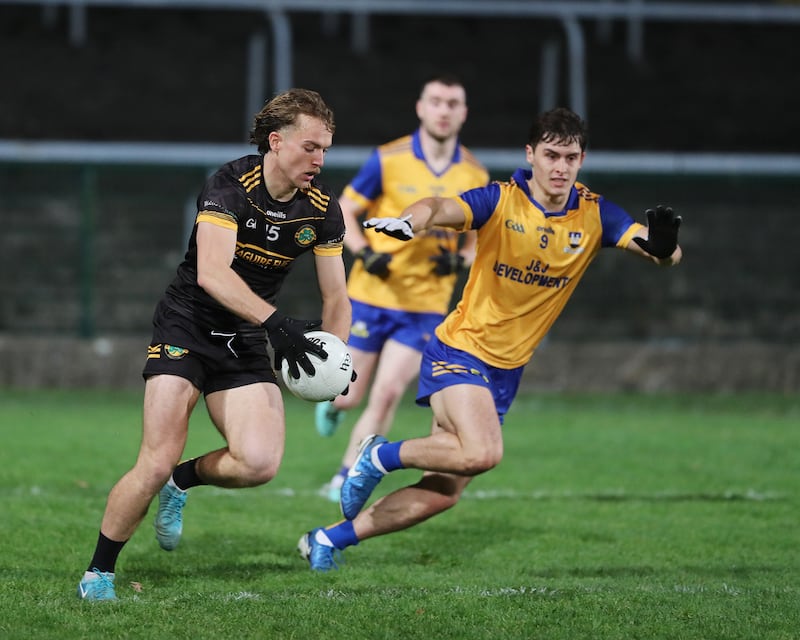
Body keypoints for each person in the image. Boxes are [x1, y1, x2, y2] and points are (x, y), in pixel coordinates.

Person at [298, 106, 683, 571]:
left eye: (571, 157)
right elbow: (441, 207)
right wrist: (411, 221)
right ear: (531, 154)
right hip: (460, 351)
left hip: (506, 370)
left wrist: (664, 247)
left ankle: (328, 538)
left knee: (443, 492)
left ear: (582, 159)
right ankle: (379, 454)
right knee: (484, 452)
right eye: (551, 155)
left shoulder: (595, 214)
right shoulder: (500, 200)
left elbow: (660, 251)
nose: (560, 167)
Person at [76, 88, 352, 601]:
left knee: (259, 463)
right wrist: (279, 324)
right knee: (154, 459)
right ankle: (99, 571)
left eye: (326, 150)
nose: (319, 159)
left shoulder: (321, 210)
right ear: (277, 141)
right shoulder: (230, 187)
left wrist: (336, 357)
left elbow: (337, 296)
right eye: (310, 147)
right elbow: (211, 274)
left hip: (245, 335)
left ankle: (183, 481)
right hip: (188, 325)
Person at [314, 74, 489, 504]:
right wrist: (363, 252)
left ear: (463, 113)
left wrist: (460, 260)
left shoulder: (474, 172)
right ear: (421, 107)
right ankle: (334, 405)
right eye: (437, 101)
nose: (444, 110)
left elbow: (479, 234)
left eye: (453, 103)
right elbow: (345, 208)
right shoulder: (388, 159)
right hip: (372, 296)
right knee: (349, 395)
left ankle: (344, 475)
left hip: (425, 306)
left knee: (390, 391)